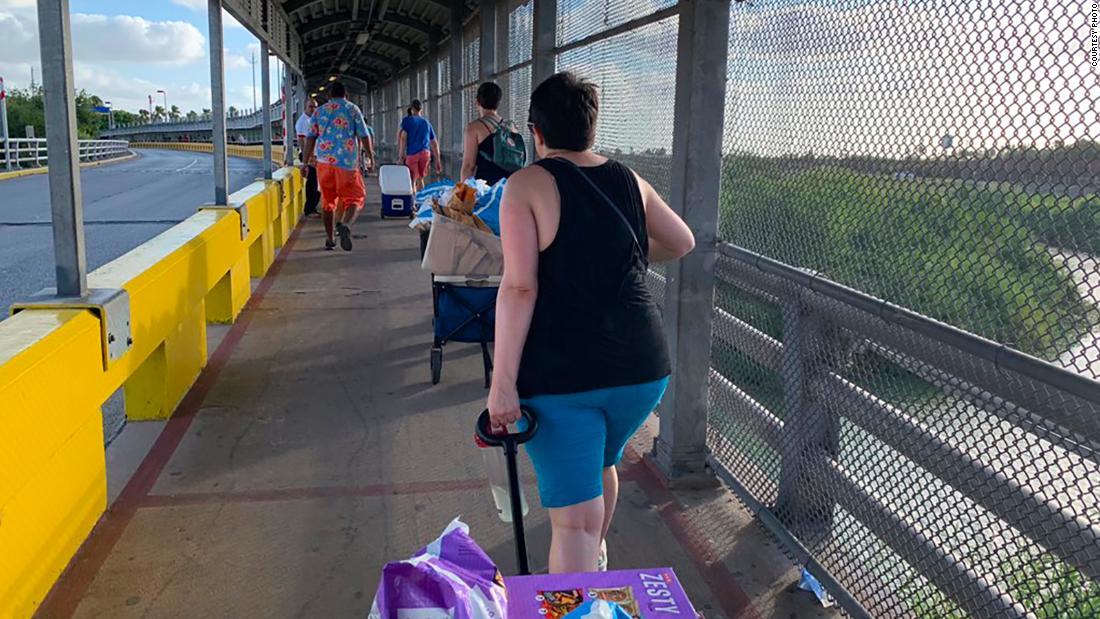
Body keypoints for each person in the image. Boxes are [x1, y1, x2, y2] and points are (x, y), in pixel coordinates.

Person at [486, 72, 695, 574]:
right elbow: (682, 241)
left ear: (536, 133)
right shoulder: (630, 179)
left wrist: (502, 382)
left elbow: (519, 287)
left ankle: (581, 586)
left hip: (564, 376)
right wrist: (620, 257)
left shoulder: (525, 185)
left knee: (573, 522)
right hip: (641, 370)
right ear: (592, 128)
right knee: (601, 464)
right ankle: (592, 566)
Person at [301, 81, 376, 251]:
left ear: (328, 96)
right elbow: (364, 135)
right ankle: (346, 225)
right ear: (346, 95)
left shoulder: (319, 111)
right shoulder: (352, 109)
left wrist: (305, 163)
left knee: (328, 202)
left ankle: (329, 239)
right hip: (347, 163)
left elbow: (310, 138)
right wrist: (371, 157)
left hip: (324, 164)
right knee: (356, 197)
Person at [460, 82, 518, 184]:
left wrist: (463, 195)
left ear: (477, 102)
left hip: (487, 190)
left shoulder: (473, 128)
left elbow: (469, 166)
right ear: (498, 102)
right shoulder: (511, 126)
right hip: (510, 187)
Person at [398, 99, 442, 192]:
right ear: (421, 109)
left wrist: (401, 156)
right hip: (425, 154)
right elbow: (434, 142)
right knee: (421, 178)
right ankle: (421, 202)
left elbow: (403, 137)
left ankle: (413, 203)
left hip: (412, 154)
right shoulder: (427, 123)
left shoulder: (407, 121)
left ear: (412, 109)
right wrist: (438, 159)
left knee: (412, 180)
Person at [295, 97, 321, 216]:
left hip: (315, 155)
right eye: (311, 106)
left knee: (317, 183)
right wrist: (309, 158)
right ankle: (309, 209)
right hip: (309, 156)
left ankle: (312, 207)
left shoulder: (313, 120)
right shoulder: (303, 121)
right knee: (312, 184)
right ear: (305, 107)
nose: (313, 109)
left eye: (315, 106)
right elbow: (304, 141)